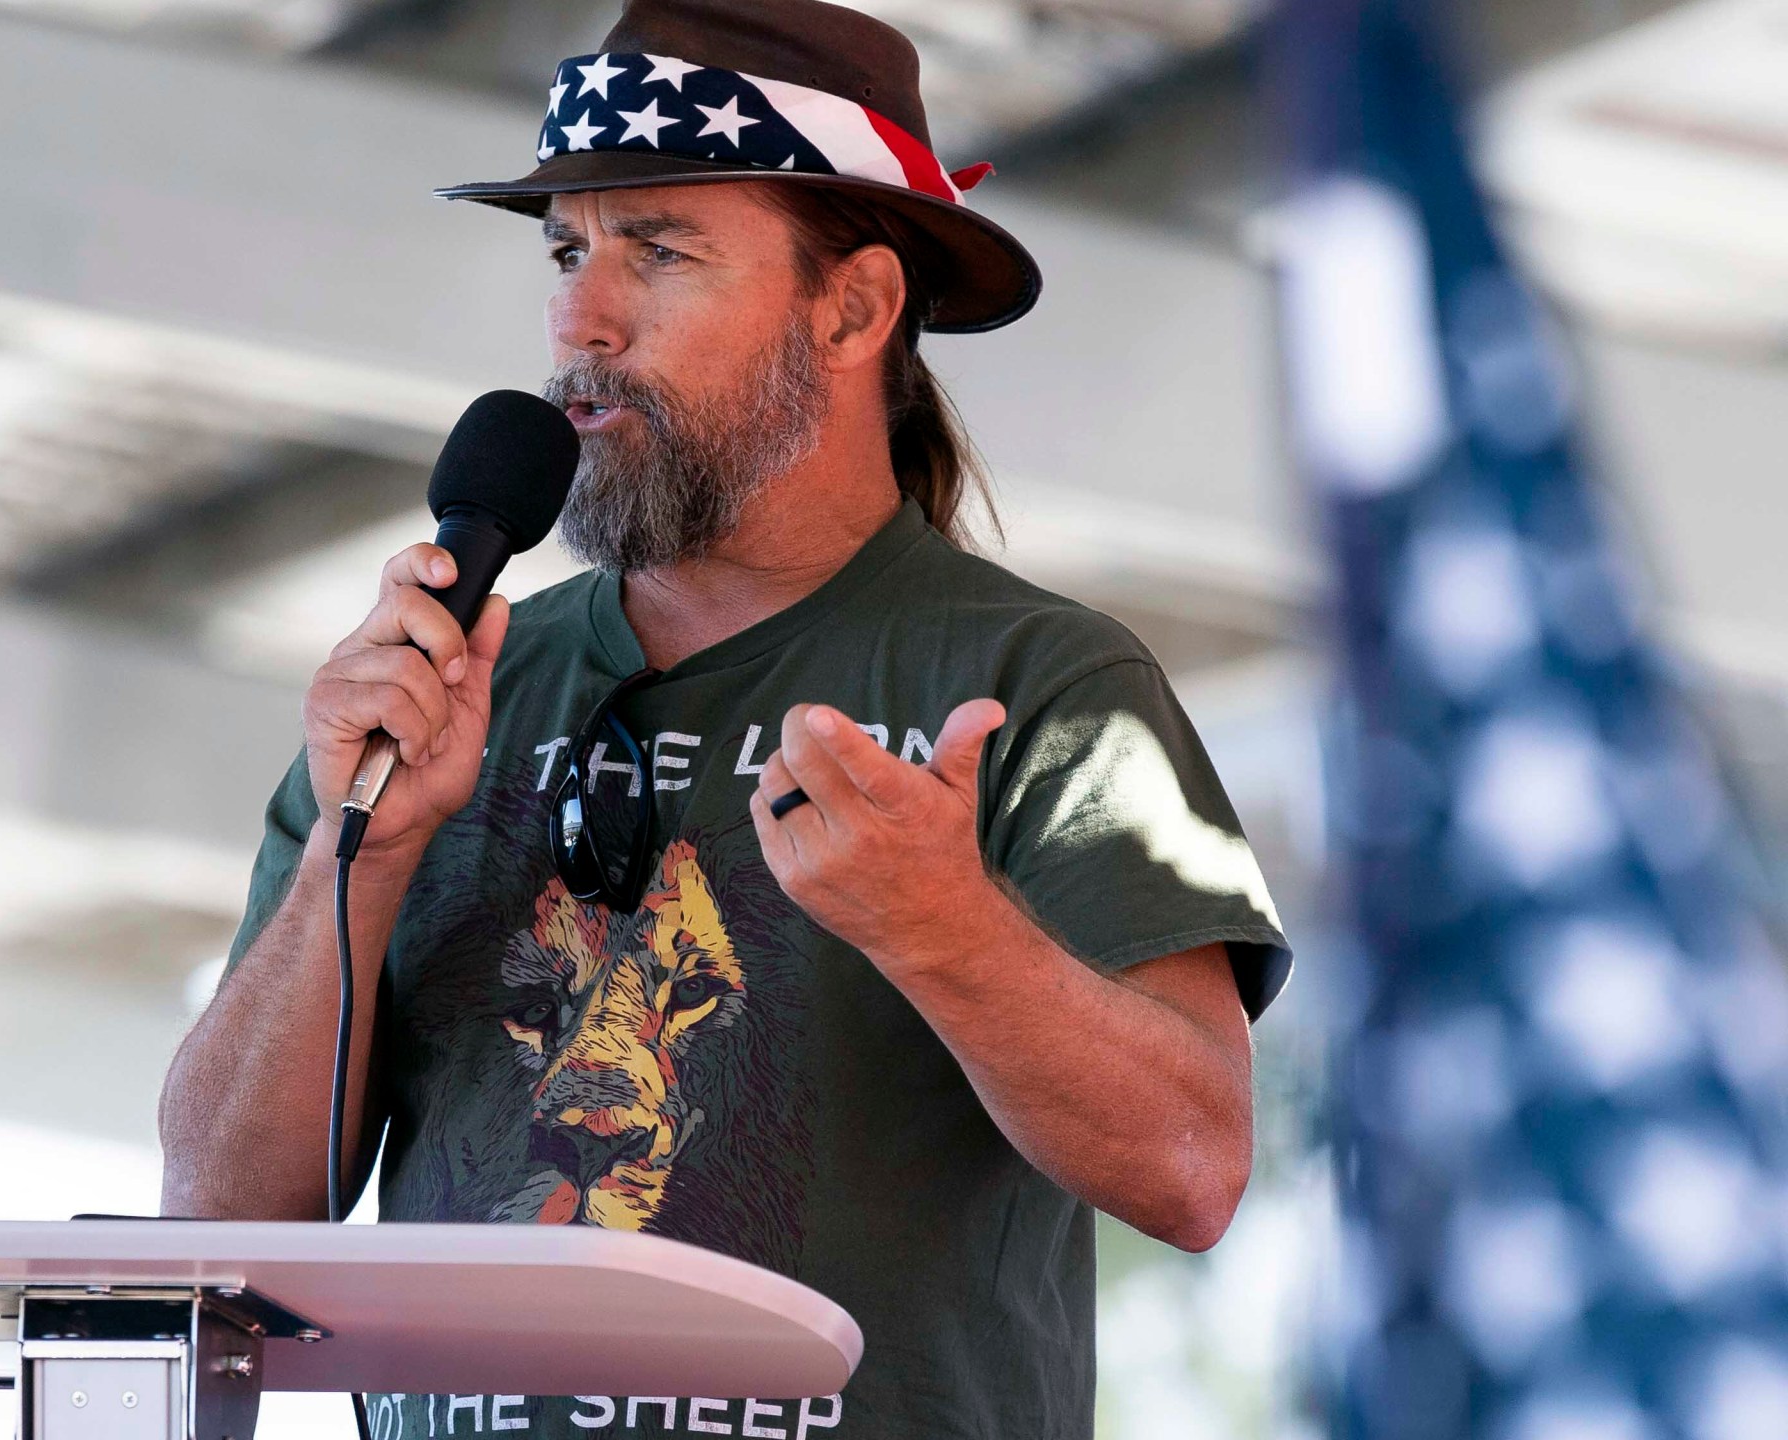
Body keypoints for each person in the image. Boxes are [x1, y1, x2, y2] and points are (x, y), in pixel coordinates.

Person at [159, 1, 1292, 1435]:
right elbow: (216, 1224)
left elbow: (1192, 1168)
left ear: (855, 307)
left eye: (663, 250)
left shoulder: (1041, 682)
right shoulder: (431, 695)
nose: (582, 315)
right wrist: (360, 850)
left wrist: (943, 926)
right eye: (567, 250)